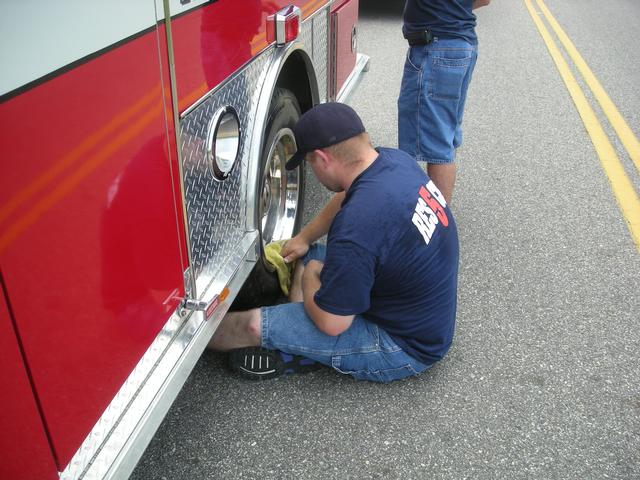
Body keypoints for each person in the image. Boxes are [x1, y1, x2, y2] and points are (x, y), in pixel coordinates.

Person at [209, 102, 459, 383]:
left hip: (403, 345)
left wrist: (311, 278)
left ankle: (213, 342)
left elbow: (332, 323)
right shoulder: (392, 161)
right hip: (417, 312)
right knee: (309, 255)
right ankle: (303, 332)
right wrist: (303, 238)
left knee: (253, 325)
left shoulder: (357, 228)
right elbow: (344, 199)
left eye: (309, 164)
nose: (312, 171)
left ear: (322, 158)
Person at [398, 0, 490, 204]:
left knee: (437, 146)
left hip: (436, 46)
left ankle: (439, 227)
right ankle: (437, 217)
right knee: (445, 135)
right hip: (461, 45)